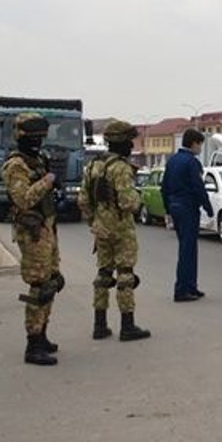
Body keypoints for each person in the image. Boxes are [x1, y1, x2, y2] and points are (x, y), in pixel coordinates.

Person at [2, 113, 65, 366]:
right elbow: (23, 199)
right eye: (34, 137)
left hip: (47, 226)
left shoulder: (37, 159)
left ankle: (42, 335)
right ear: (21, 136)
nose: (38, 142)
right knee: (39, 286)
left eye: (41, 137)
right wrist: (47, 181)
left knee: (51, 282)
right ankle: (32, 344)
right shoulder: (15, 165)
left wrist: (53, 183)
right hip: (32, 232)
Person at [79, 120, 151, 342]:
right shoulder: (120, 168)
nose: (131, 145)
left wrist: (94, 221)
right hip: (121, 229)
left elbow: (83, 200)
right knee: (125, 276)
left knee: (103, 275)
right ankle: (127, 325)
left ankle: (99, 325)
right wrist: (138, 198)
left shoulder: (93, 165)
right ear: (121, 143)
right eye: (129, 141)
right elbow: (128, 202)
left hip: (101, 229)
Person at [160, 129, 212, 302]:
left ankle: (191, 286)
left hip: (175, 206)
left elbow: (164, 187)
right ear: (194, 143)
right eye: (200, 145)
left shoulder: (172, 161)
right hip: (188, 207)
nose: (200, 148)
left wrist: (168, 209)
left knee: (186, 247)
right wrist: (208, 206)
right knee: (188, 250)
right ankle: (182, 290)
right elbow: (198, 187)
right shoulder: (192, 163)